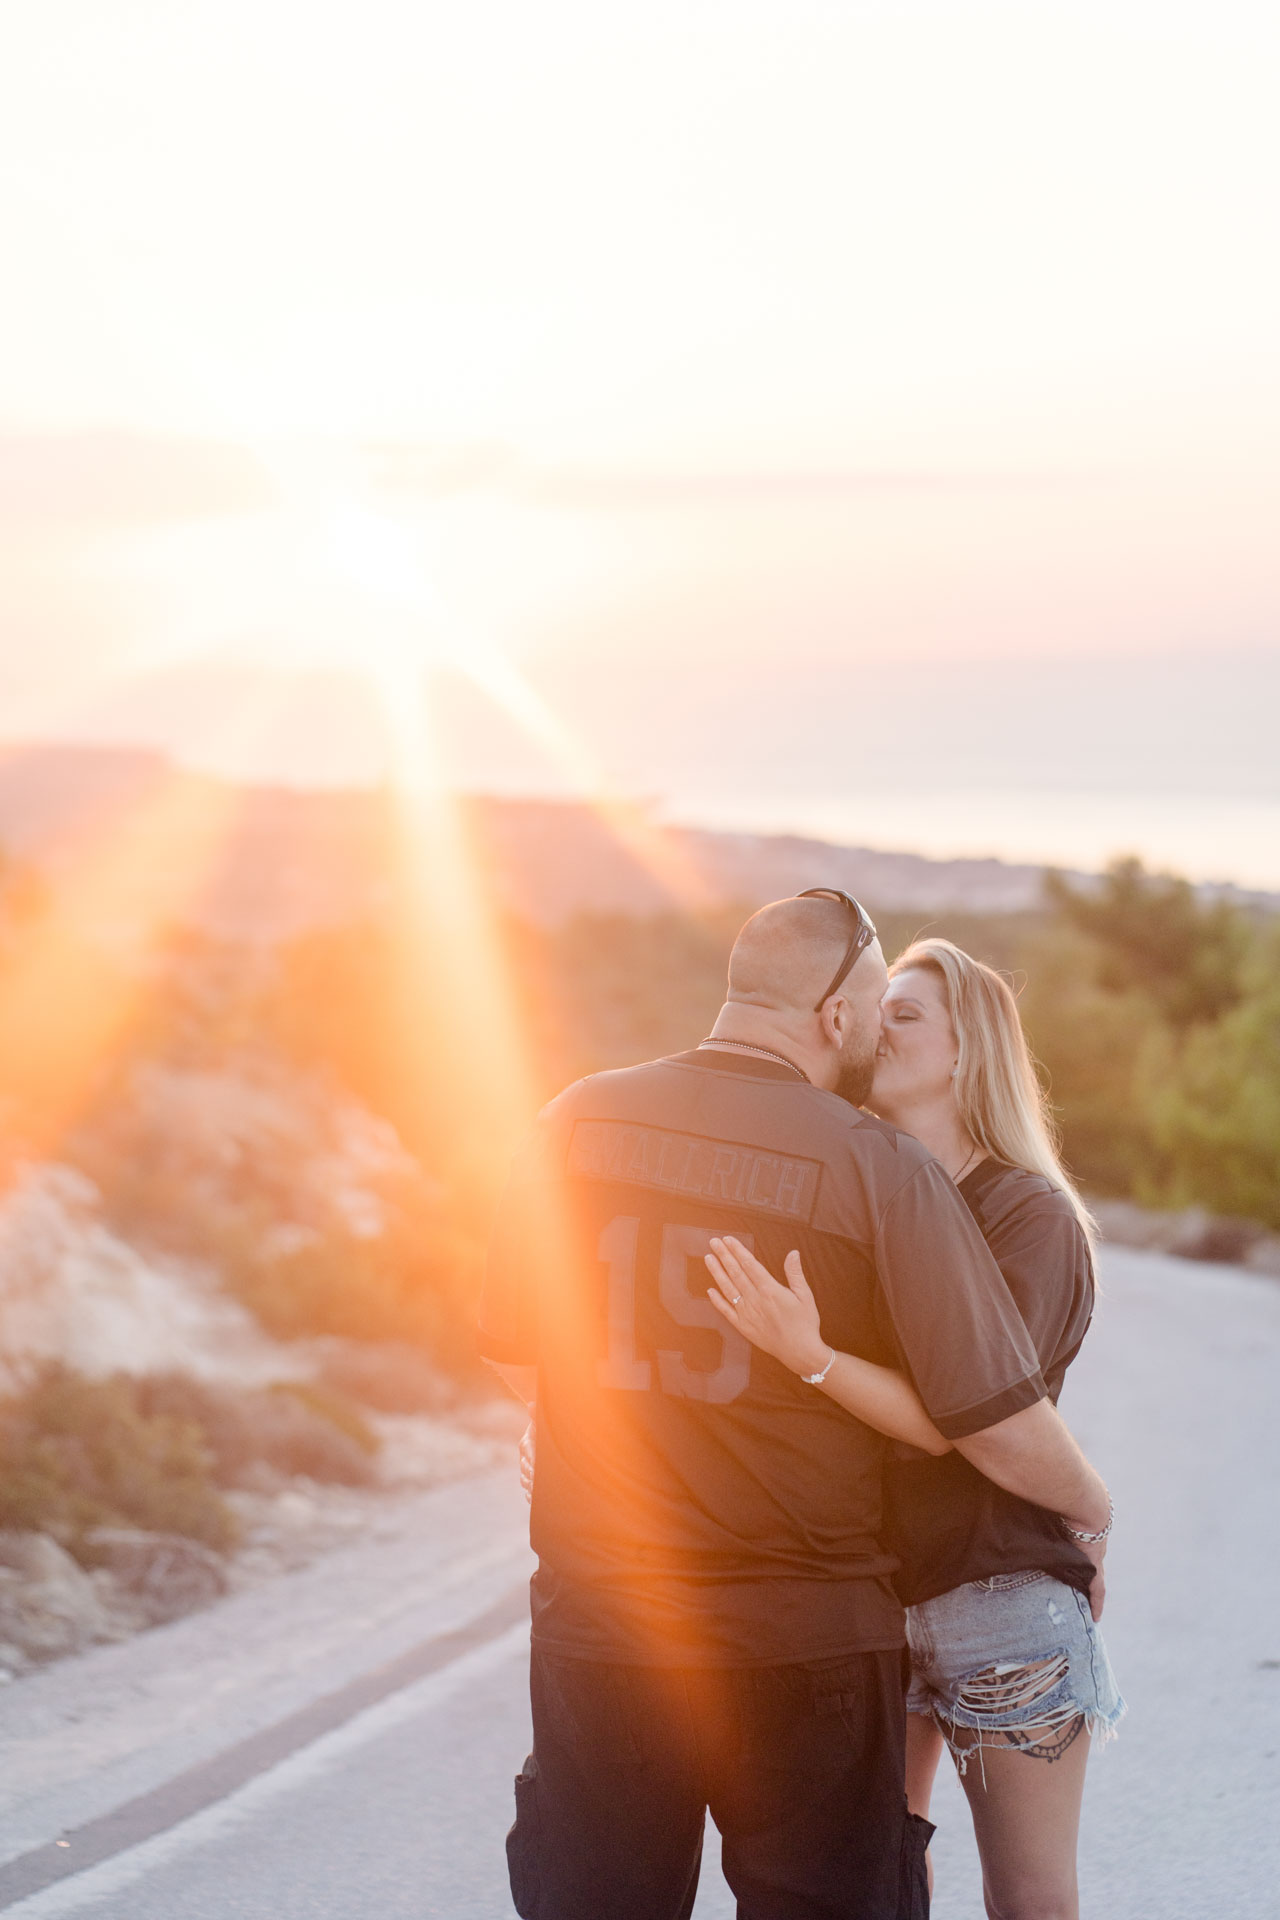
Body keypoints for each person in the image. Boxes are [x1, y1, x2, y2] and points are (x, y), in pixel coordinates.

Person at [480, 892, 1113, 1920]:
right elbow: (985, 1419)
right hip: (806, 1632)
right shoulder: (872, 1162)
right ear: (832, 1019)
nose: (876, 1032)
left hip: (602, 1624)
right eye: (877, 1010)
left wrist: (588, 1431)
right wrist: (1092, 1506)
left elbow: (516, 1355)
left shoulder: (572, 1117)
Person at [705, 938, 1124, 1920]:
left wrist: (1090, 1511)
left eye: (905, 1014)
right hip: (856, 1596)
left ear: (965, 1052)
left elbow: (970, 1416)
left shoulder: (1028, 1215)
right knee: (881, 1885)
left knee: (1029, 1902)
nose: (872, 1029)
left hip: (999, 1597)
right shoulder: (848, 1192)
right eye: (871, 1009)